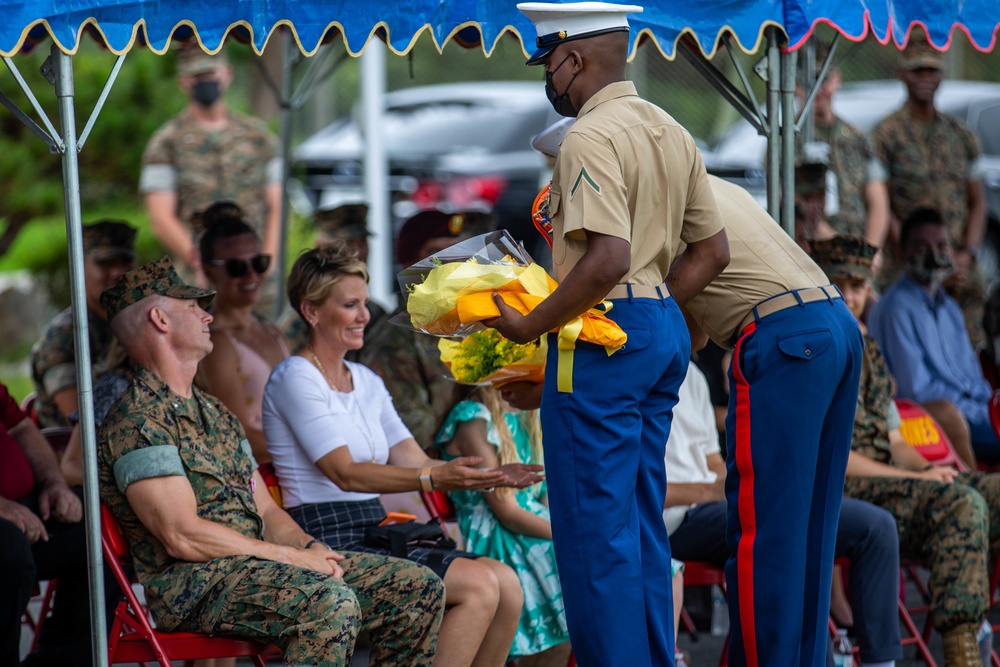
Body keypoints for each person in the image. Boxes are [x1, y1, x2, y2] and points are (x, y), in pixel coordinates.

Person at [492, 4, 731, 665]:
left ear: (572, 58)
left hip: (601, 335)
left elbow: (606, 259)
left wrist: (529, 325)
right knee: (639, 522)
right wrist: (650, 314)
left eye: (549, 64)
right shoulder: (669, 127)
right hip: (656, 326)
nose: (551, 80)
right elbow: (713, 252)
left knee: (595, 536)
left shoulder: (588, 136)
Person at [97, 257, 445, 666]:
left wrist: (312, 548)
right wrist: (291, 557)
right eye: (192, 307)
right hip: (195, 584)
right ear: (160, 319)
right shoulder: (139, 419)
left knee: (419, 587)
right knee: (329, 603)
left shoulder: (215, 412)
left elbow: (265, 509)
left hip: (254, 568)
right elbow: (182, 535)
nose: (207, 315)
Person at [263, 242, 545, 667]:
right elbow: (346, 474)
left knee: (508, 584)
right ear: (311, 311)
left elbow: (413, 459)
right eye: (350, 305)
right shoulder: (294, 376)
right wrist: (437, 478)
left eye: (365, 302)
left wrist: (486, 475)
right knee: (482, 586)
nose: (364, 316)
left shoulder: (364, 378)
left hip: (372, 527)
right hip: (322, 535)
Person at [670, 176, 863, 666]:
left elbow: (662, 318)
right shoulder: (706, 182)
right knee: (811, 534)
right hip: (833, 324)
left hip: (785, 338)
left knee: (767, 538)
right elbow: (692, 329)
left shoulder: (646, 195)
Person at [813, 234, 1000, 664]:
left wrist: (934, 469)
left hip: (892, 482)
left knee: (984, 491)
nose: (849, 296)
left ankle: (975, 616)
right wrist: (918, 478)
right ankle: (963, 649)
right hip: (851, 490)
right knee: (961, 505)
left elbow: (896, 442)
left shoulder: (870, 351)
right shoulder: (815, 348)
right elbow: (835, 459)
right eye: (838, 284)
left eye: (858, 287)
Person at [434, 385, 571, 664]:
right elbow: (506, 510)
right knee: (578, 561)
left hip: (532, 523)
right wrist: (570, 537)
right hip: (499, 533)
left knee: (639, 561)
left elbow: (544, 491)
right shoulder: (473, 416)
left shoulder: (531, 410)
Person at [872, 29, 988, 346]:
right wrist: (922, 261)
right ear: (902, 75)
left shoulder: (962, 136)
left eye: (932, 70)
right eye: (916, 70)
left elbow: (977, 202)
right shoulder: (886, 135)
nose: (925, 77)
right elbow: (882, 204)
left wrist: (966, 255)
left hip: (956, 261)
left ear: (942, 75)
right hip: (907, 262)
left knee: (971, 324)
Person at [139, 45, 281, 284]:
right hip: (200, 280)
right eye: (197, 77)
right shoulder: (166, 143)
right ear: (183, 81)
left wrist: (265, 262)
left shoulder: (259, 138)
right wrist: (201, 263)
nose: (205, 82)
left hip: (257, 277)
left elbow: (277, 207)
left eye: (210, 74)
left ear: (227, 74)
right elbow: (161, 219)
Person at [868, 208, 1000, 466]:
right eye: (921, 247)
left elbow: (974, 379)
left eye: (941, 246)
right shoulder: (895, 308)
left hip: (979, 412)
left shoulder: (949, 307)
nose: (933, 254)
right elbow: (917, 391)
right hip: (940, 422)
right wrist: (983, 414)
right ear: (901, 254)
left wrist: (990, 409)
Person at [0, 381, 115, 667]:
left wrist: (54, 483)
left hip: (24, 507)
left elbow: (20, 427)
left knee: (100, 530)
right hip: (6, 525)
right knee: (7, 550)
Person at [358, 209, 493, 450]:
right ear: (408, 265)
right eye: (435, 254)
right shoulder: (395, 339)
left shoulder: (477, 321)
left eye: (458, 251)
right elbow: (411, 435)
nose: (452, 263)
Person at [195, 202, 289, 464]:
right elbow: (237, 432)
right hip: (258, 479)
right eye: (236, 267)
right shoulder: (214, 341)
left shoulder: (272, 331)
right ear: (207, 269)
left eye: (258, 262)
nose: (251, 274)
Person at [30, 219, 137, 427]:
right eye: (104, 264)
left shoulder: (134, 324)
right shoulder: (64, 336)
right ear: (80, 265)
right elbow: (79, 418)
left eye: (125, 262)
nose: (117, 273)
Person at [796, 40, 890, 250]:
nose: (818, 90)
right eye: (809, 81)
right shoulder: (787, 142)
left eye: (824, 80)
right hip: (812, 251)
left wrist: (870, 252)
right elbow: (793, 203)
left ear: (837, 79)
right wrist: (843, 249)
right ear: (796, 86)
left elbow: (878, 203)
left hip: (857, 250)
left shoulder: (858, 137)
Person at [283, 202, 387, 354]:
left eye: (363, 241)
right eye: (349, 242)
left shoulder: (375, 314)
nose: (359, 251)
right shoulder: (305, 317)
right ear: (320, 247)